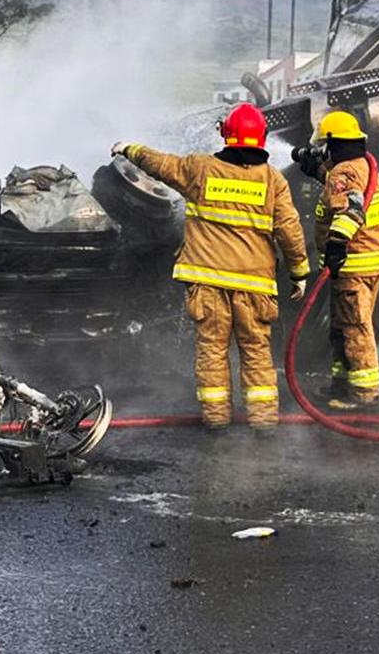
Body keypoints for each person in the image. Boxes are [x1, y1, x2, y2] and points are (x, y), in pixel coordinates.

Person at [114, 103, 311, 429]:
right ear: (261, 137)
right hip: (254, 287)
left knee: (211, 351)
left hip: (207, 285)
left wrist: (128, 149)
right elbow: (289, 231)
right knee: (256, 351)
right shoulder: (273, 181)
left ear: (226, 134)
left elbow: (161, 164)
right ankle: (262, 421)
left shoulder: (200, 169)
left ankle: (216, 418)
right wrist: (299, 273)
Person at [296, 110, 379, 408]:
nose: (321, 150)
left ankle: (362, 394)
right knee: (343, 326)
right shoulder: (359, 165)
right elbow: (350, 191)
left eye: (323, 144)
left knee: (354, 327)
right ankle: (341, 383)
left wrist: (335, 245)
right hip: (366, 263)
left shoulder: (343, 173)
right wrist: (319, 173)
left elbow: (350, 210)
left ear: (333, 143)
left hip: (353, 265)